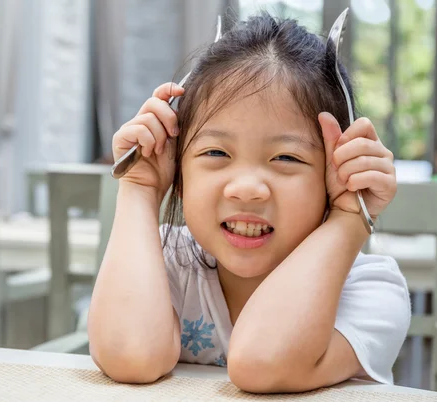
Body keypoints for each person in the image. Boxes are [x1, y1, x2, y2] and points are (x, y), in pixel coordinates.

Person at [88, 13, 409, 393]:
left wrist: (348, 217)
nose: (247, 189)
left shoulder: (372, 290)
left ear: (334, 174)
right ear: (179, 173)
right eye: (216, 152)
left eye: (286, 158)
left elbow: (261, 363)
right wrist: (139, 187)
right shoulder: (167, 262)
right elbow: (130, 354)